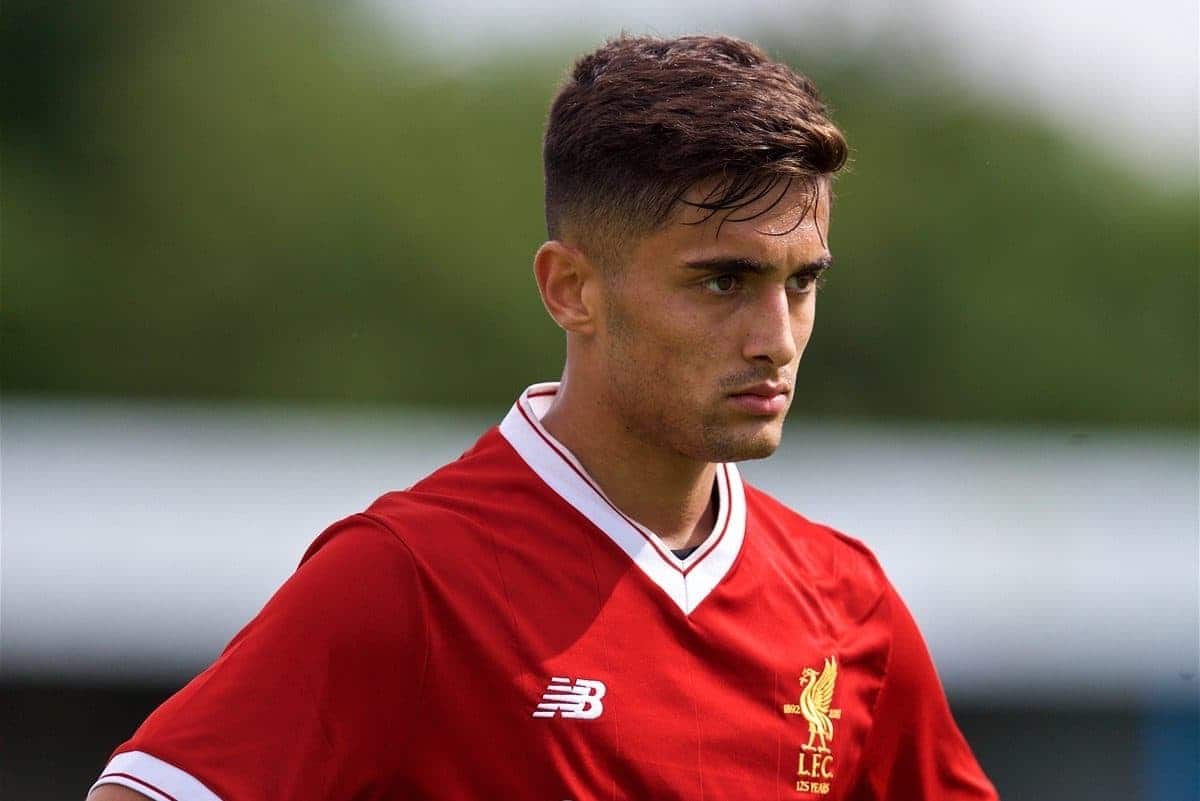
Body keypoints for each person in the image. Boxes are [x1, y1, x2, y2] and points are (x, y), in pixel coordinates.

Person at [88, 34, 997, 801]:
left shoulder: (848, 604)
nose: (777, 337)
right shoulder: (410, 575)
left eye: (802, 283)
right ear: (572, 289)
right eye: (723, 280)